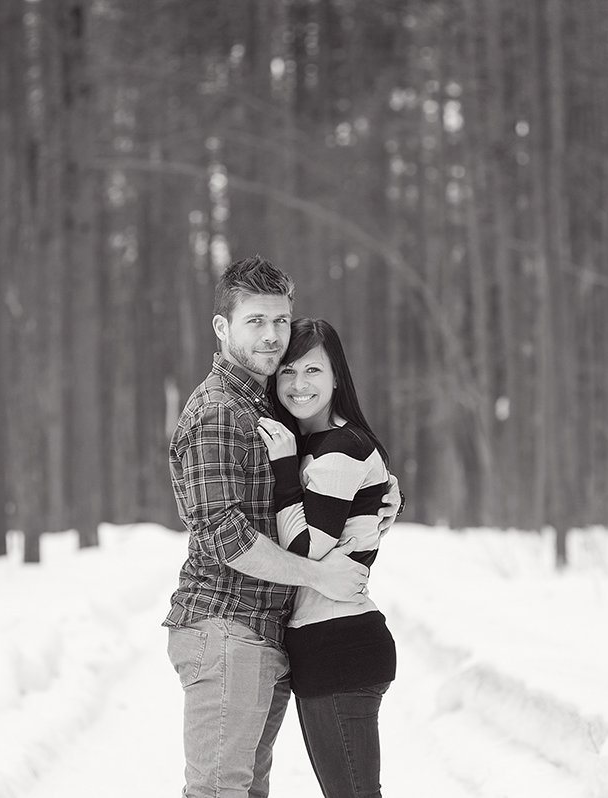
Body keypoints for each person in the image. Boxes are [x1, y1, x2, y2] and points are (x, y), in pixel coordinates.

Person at [164, 255, 400, 798]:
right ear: (222, 328)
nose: (272, 337)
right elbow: (223, 533)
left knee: (245, 790)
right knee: (221, 790)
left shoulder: (265, 406)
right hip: (228, 625)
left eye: (279, 322)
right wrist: (318, 576)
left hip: (265, 630)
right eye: (255, 322)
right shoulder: (220, 411)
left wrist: (382, 496)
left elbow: (331, 477)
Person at [255, 318, 396, 798]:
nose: (299, 385)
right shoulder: (322, 444)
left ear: (338, 377)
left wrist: (284, 468)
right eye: (288, 371)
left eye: (313, 370)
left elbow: (305, 548)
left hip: (342, 646)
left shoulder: (339, 446)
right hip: (324, 648)